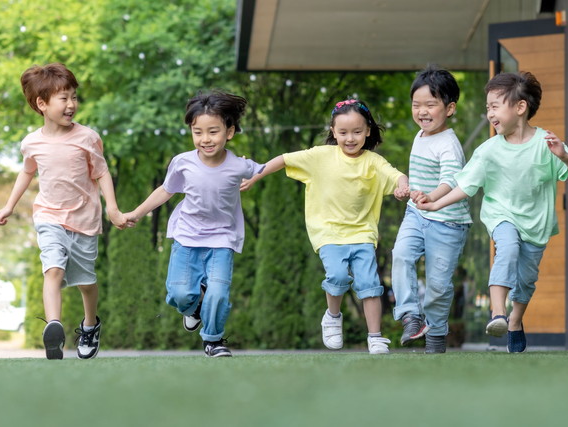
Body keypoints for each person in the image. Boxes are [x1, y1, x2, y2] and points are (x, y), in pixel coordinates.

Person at [417, 71, 568, 353]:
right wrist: (435, 202)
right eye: (487, 108)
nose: (490, 114)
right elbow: (464, 185)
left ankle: (515, 320)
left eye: (495, 106)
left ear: (520, 108)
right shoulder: (488, 150)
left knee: (526, 279)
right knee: (506, 247)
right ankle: (498, 314)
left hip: (536, 223)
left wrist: (564, 155)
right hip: (501, 215)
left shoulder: (546, 144)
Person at [241, 98, 409, 354]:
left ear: (368, 131)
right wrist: (255, 176)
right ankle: (332, 316)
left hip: (363, 233)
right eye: (342, 133)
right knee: (339, 276)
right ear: (333, 132)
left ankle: (375, 337)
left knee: (369, 283)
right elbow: (284, 159)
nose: (350, 138)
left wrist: (402, 186)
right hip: (328, 232)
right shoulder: (319, 156)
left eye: (356, 132)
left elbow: (396, 175)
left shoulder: (373, 161)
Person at [0, 63, 127, 360]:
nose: (72, 105)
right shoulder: (31, 143)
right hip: (49, 216)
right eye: (63, 98)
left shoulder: (87, 138)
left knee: (85, 282)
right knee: (52, 269)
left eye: (74, 97)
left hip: (84, 219)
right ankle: (54, 326)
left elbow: (102, 173)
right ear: (42, 104)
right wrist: (9, 205)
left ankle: (90, 325)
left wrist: (114, 210)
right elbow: (26, 173)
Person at [125, 91, 264, 358]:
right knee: (178, 294)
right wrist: (137, 213)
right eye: (198, 132)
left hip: (223, 239)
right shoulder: (183, 162)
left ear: (230, 132)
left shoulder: (238, 165)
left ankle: (213, 339)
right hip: (187, 237)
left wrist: (257, 177)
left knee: (218, 293)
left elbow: (263, 168)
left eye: (213, 132)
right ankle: (194, 309)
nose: (205, 139)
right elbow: (165, 191)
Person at [391, 65, 472, 354]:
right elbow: (420, 179)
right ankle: (410, 315)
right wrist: (408, 190)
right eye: (416, 105)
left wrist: (431, 197)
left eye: (430, 105)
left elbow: (450, 180)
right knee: (400, 255)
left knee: (438, 285)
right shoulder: (419, 136)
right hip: (417, 213)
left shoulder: (449, 143)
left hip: (448, 222)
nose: (422, 111)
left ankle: (436, 336)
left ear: (449, 108)